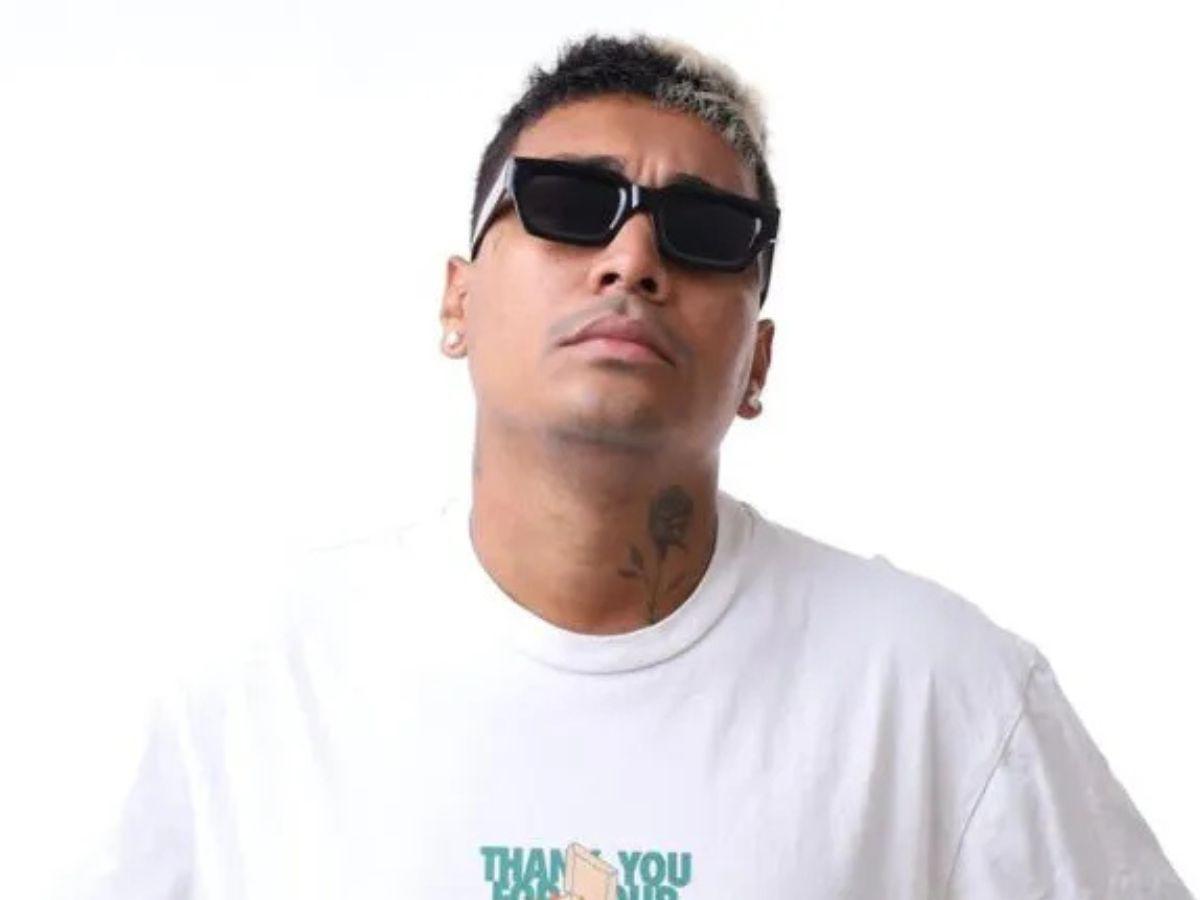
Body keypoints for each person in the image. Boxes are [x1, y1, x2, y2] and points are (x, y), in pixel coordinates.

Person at [68, 31, 1192, 900]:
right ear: (457, 299)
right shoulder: (257, 685)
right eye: (568, 205)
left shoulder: (943, 697)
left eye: (705, 233)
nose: (633, 257)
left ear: (757, 361)